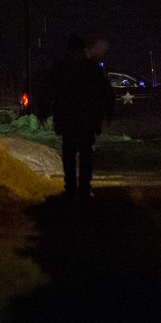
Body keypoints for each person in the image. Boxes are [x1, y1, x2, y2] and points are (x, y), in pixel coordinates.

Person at [42, 34, 115, 201]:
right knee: (85, 154)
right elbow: (106, 92)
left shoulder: (61, 68)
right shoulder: (92, 68)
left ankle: (71, 189)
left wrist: (43, 110)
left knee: (70, 154)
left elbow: (48, 90)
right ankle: (83, 189)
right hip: (87, 120)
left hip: (68, 119)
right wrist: (108, 111)